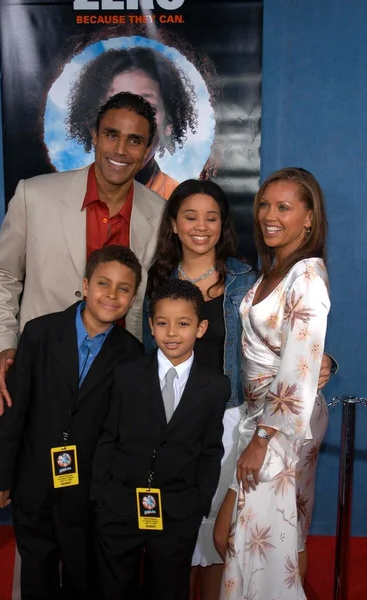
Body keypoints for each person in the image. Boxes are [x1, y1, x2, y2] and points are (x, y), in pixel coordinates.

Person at [142, 178, 334, 600]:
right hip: (212, 418)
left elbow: (300, 342)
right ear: (172, 223)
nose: (270, 215)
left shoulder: (250, 276)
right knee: (232, 534)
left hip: (247, 421)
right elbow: (285, 337)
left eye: (212, 217)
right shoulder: (161, 279)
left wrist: (324, 363)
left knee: (250, 535)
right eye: (265, 206)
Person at [0, 91, 165, 417]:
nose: (121, 150)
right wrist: (5, 348)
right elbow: (2, 275)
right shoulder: (35, 196)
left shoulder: (161, 214)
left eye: (134, 140)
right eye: (112, 135)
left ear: (148, 150)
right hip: (38, 373)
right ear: (94, 136)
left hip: (118, 384)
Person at [0, 245, 144, 600]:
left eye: (124, 288)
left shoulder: (132, 355)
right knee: (36, 577)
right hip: (33, 483)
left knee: (81, 579)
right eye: (103, 283)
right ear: (85, 286)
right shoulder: (39, 333)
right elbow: (13, 410)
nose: (112, 295)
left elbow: (121, 434)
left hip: (87, 495)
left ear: (133, 297)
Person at [214, 167, 330, 600]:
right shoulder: (277, 269)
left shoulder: (307, 277)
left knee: (259, 543)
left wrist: (263, 436)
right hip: (259, 418)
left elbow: (299, 363)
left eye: (284, 207)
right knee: (271, 538)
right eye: (264, 204)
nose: (268, 215)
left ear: (309, 218)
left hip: (281, 427)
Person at [91, 279, 231, 600]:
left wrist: (197, 504)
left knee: (167, 589)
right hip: (120, 506)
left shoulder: (215, 386)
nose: (172, 333)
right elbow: (108, 436)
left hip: (177, 512)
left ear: (201, 327)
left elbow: (211, 450)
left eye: (183, 324)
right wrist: (101, 496)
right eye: (163, 323)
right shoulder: (127, 374)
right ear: (151, 326)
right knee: (114, 587)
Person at [65, 46, 198, 199]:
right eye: (116, 104)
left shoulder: (181, 203)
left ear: (169, 124)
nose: (131, 122)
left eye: (149, 107)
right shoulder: (60, 194)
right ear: (93, 122)